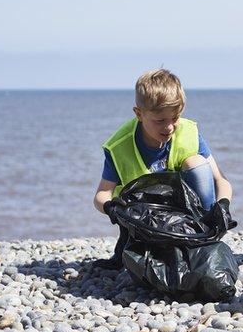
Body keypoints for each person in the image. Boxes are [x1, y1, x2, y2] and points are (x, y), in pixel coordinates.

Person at [92, 68, 233, 269]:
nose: (168, 127)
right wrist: (111, 208)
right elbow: (101, 195)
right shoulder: (119, 146)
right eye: (160, 121)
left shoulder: (189, 133)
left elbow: (221, 181)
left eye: (174, 118)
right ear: (139, 114)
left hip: (186, 215)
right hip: (143, 220)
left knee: (196, 164)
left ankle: (203, 240)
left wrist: (223, 205)